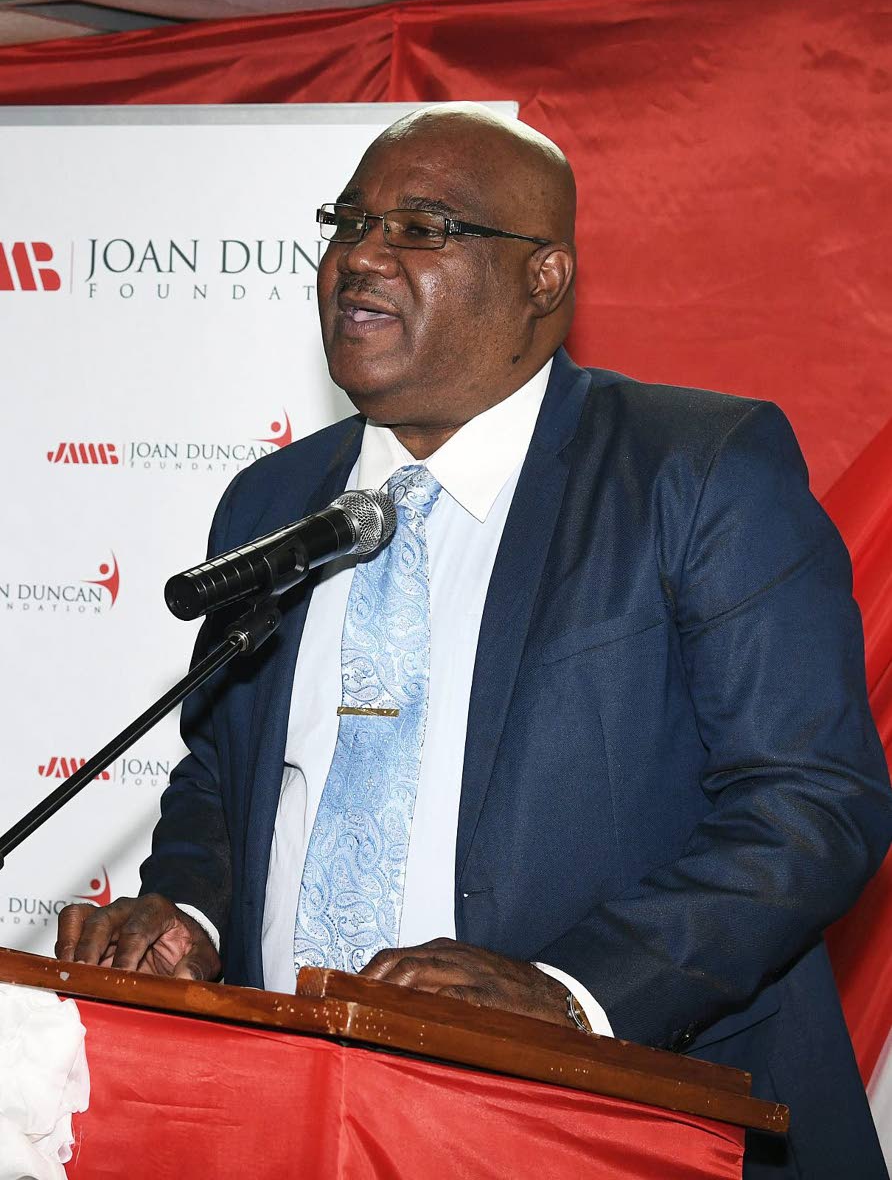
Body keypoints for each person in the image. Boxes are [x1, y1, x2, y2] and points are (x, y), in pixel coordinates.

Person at [57, 104, 891, 1178]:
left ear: (543, 277)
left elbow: (811, 802)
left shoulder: (693, 470)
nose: (360, 256)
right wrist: (190, 916)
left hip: (623, 1124)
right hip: (299, 1115)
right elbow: (223, 775)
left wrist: (572, 994)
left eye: (423, 228)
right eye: (348, 222)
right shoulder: (272, 500)